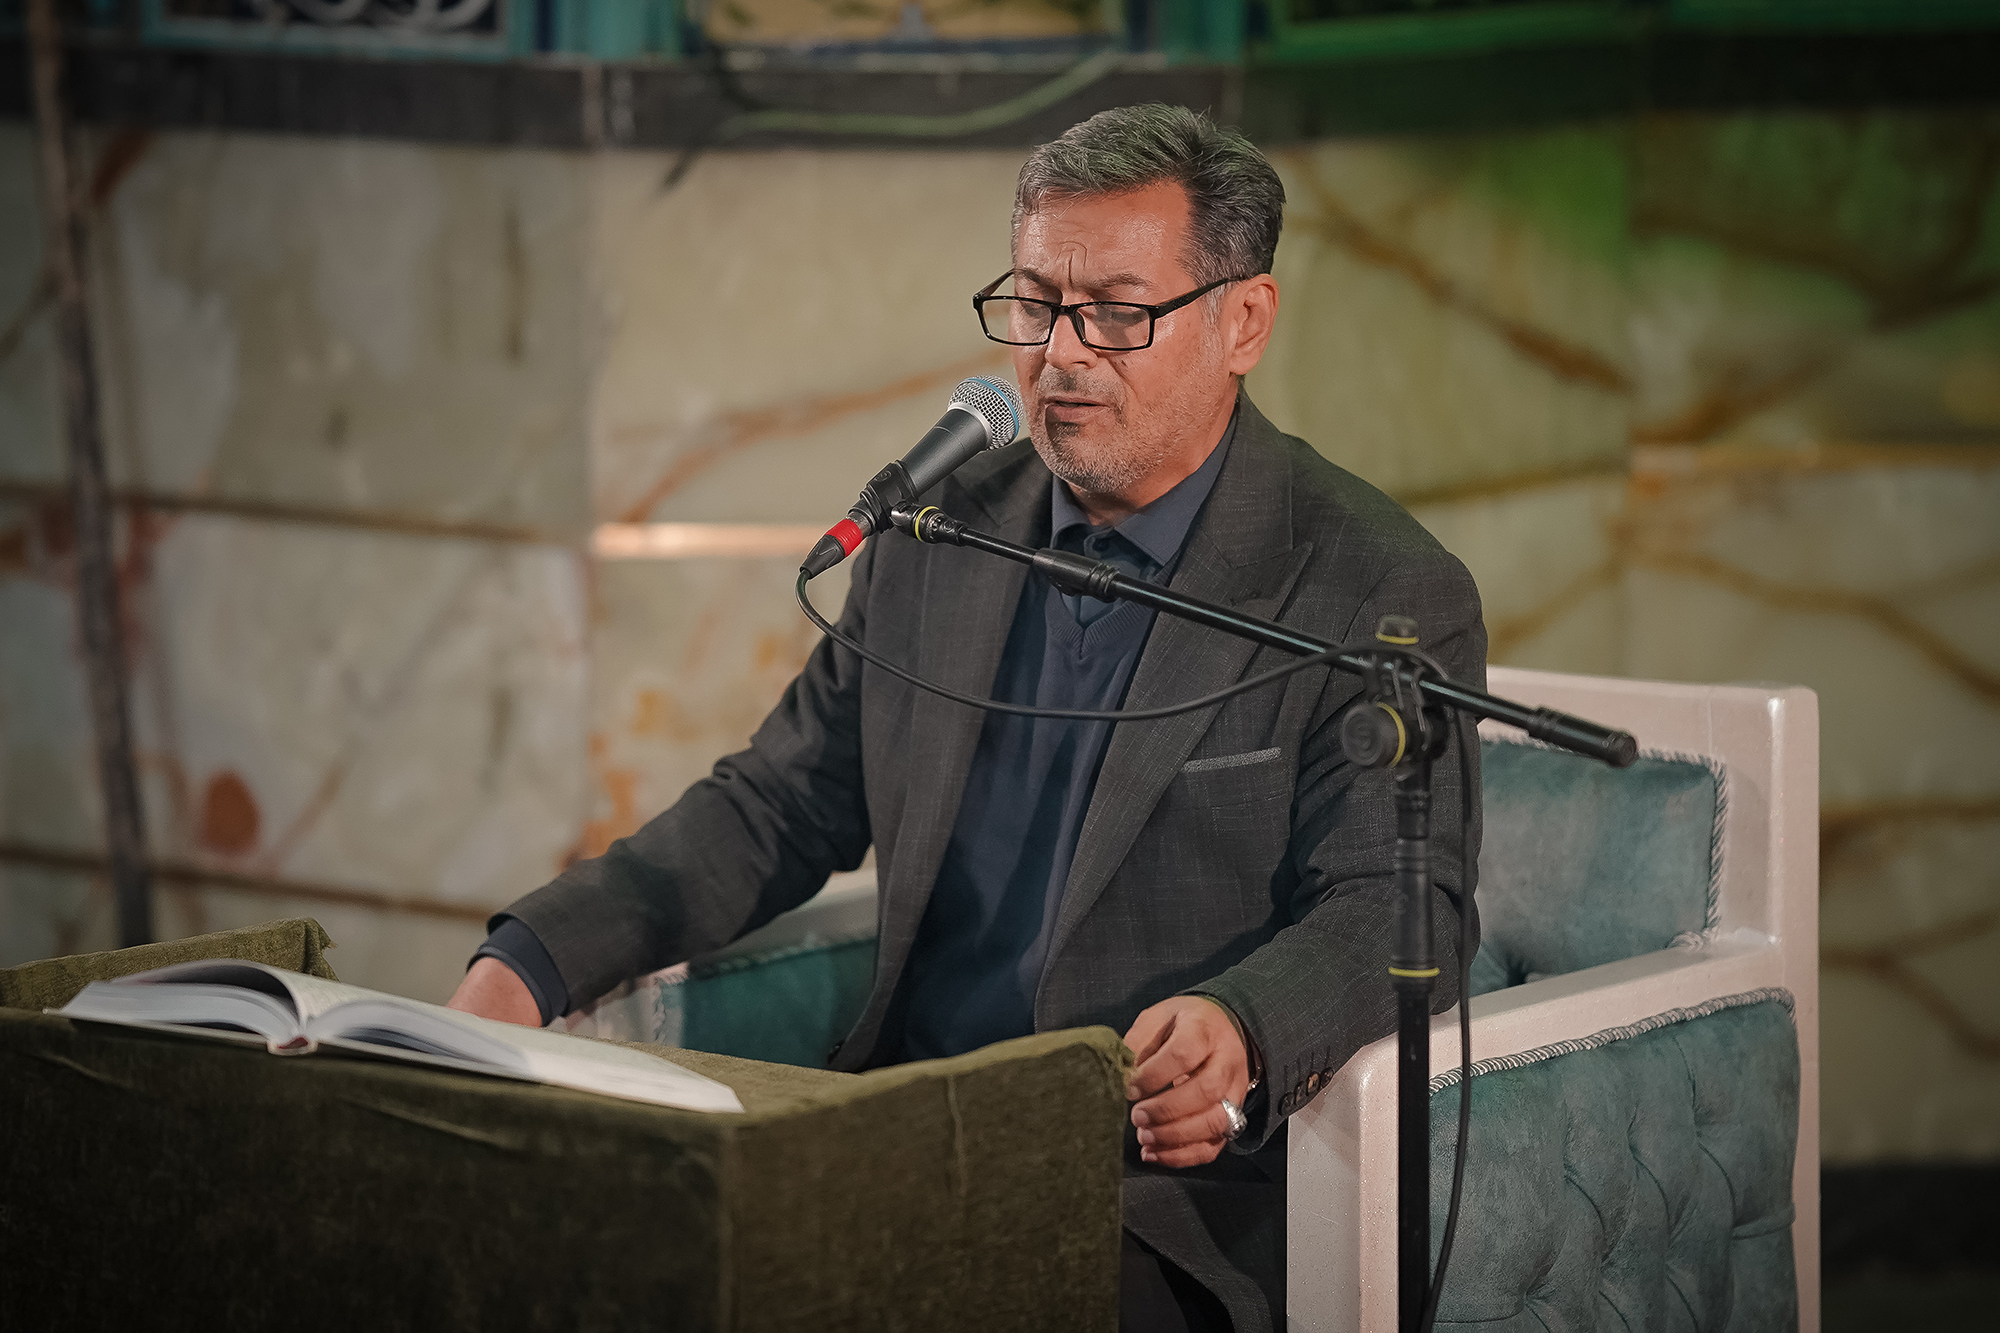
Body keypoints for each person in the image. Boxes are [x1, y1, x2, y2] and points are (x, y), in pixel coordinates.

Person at [449, 104, 1484, 1333]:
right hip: (900, 1129)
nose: (1059, 354)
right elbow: (775, 804)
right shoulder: (942, 528)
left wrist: (1244, 1027)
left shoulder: (1369, 584)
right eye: (1033, 305)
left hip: (1146, 1204)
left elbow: (1398, 903)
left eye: (1115, 312)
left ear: (1242, 321)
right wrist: (529, 962)